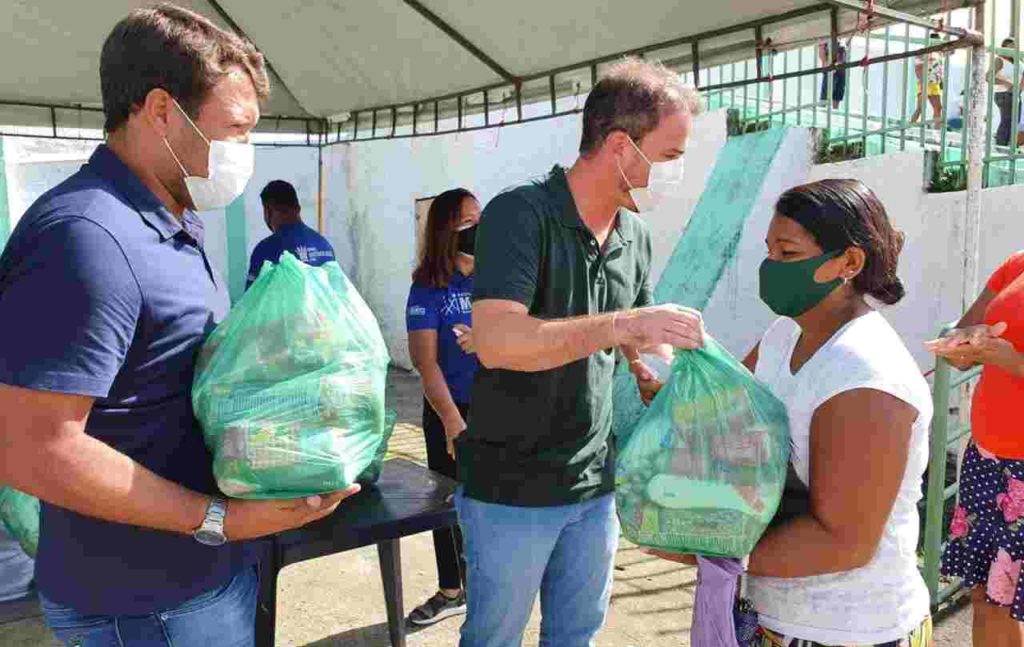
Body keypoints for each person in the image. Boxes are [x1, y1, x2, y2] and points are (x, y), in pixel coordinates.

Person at [0, 5, 359, 646]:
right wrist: (220, 519)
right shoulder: (87, 238)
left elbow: (167, 381)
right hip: (145, 604)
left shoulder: (168, 219)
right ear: (162, 111)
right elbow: (30, 448)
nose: (244, 153)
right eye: (236, 130)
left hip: (199, 579)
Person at [455, 58, 705, 647]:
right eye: (669, 155)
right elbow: (499, 342)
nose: (675, 172)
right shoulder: (521, 214)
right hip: (511, 489)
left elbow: (635, 338)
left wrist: (657, 367)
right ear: (620, 146)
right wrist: (624, 323)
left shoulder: (633, 233)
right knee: (494, 638)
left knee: (576, 636)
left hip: (594, 485)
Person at [652, 179, 934, 646]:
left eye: (788, 253)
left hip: (847, 631)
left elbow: (842, 542)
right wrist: (670, 395)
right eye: (769, 251)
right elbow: (729, 410)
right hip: (771, 614)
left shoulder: (865, 376)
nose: (770, 266)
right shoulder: (784, 336)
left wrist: (700, 552)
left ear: (849, 263)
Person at [926, 250, 1024, 647]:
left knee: (1003, 599)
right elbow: (965, 335)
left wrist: (1014, 361)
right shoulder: (1017, 265)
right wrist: (964, 344)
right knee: (986, 596)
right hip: (986, 459)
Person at [404, 188, 481, 626]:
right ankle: (452, 589)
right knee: (447, 502)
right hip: (448, 409)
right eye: (468, 222)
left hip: (496, 407)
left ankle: (487, 585)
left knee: (493, 503)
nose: (478, 230)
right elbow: (425, 361)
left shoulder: (495, 279)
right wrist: (453, 421)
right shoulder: (428, 287)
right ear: (446, 230)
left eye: (480, 219)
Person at [245, 179, 337, 288]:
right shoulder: (325, 246)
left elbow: (251, 297)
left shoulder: (265, 250)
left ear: (268, 211)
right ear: (298, 208)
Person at [910, 33, 945, 129]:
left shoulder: (939, 54)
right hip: (925, 83)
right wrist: (922, 82)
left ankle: (936, 130)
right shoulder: (922, 52)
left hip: (934, 84)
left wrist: (941, 81)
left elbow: (939, 69)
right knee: (920, 108)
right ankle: (910, 127)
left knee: (938, 108)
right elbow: (917, 68)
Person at [994, 38, 1022, 148]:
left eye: (1014, 47)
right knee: (1007, 121)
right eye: (1010, 47)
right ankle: (1001, 146)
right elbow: (989, 76)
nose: (1012, 49)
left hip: (1016, 95)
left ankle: (1008, 146)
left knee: (1014, 122)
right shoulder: (999, 60)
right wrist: (1007, 83)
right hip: (1004, 94)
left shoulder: (1017, 61)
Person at [819, 40, 848, 110]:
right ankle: (822, 110)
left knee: (837, 96)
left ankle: (834, 111)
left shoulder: (841, 44)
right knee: (825, 97)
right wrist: (825, 64)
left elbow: (845, 47)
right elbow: (822, 50)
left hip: (840, 71)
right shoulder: (827, 42)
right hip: (831, 70)